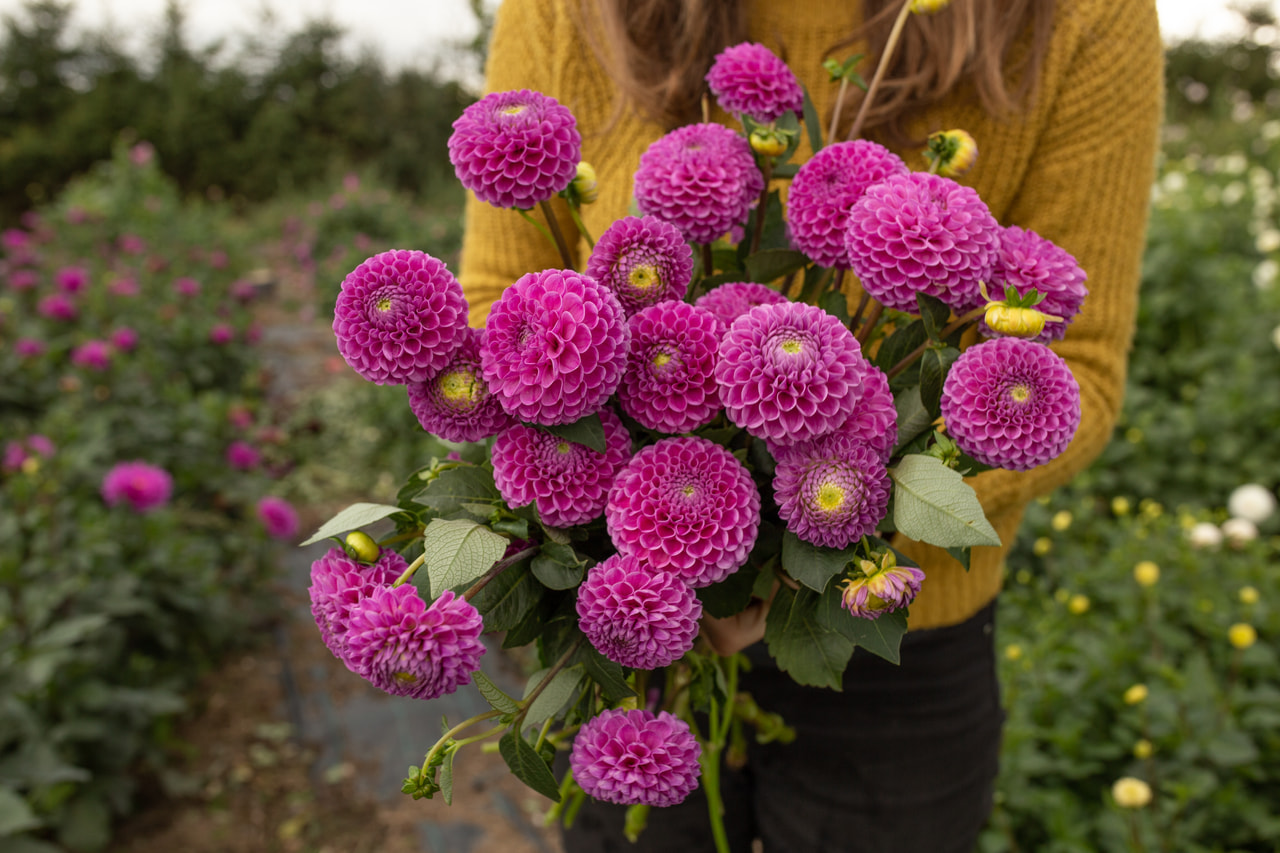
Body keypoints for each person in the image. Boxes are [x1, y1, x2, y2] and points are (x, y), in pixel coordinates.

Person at [457, 0, 1164, 850]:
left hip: (896, 642)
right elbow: (496, 315)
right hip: (631, 625)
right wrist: (647, 544)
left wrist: (820, 539)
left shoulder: (1087, 15)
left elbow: (1077, 364)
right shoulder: (570, 10)